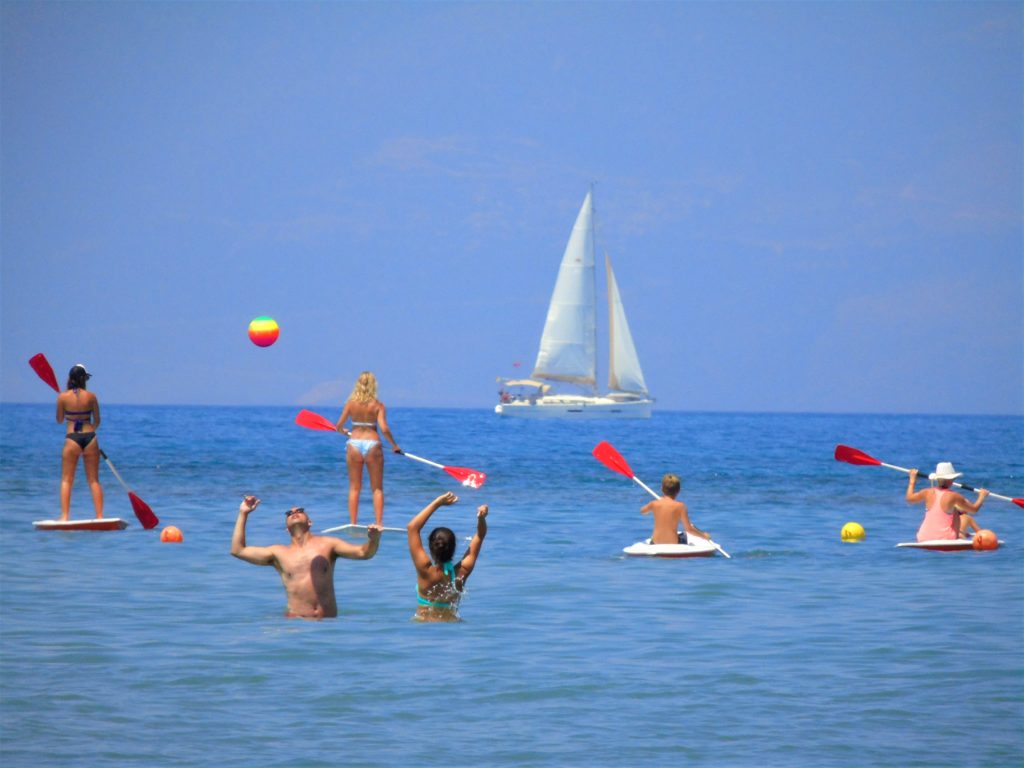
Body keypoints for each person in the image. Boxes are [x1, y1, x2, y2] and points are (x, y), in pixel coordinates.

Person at [230, 496, 381, 619]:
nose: (294, 512)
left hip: (328, 626)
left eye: (300, 510)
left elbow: (364, 553)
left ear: (310, 522)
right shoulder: (278, 553)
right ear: (286, 529)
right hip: (296, 627)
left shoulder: (329, 544)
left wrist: (373, 539)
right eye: (289, 513)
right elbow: (237, 550)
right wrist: (243, 513)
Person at [408, 492, 487, 622]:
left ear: (431, 546)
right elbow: (480, 536)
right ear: (454, 547)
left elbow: (412, 528)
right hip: (452, 628)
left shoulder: (424, 570)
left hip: (423, 627)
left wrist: (437, 502)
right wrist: (481, 518)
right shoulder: (461, 572)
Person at [335, 371, 401, 527]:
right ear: (373, 386)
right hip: (373, 443)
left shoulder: (350, 404)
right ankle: (378, 523)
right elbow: (384, 428)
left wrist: (343, 431)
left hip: (354, 443)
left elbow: (339, 426)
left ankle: (353, 523)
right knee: (377, 488)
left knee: (354, 487)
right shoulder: (378, 405)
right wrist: (394, 445)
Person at [56, 364, 103, 521]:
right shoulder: (92, 396)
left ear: (70, 379)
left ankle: (64, 516)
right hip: (90, 438)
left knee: (67, 480)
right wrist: (89, 429)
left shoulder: (62, 397)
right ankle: (99, 516)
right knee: (94, 480)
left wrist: (64, 405)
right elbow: (97, 421)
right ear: (84, 379)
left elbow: (59, 420)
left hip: (72, 439)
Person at [907, 462, 988, 541]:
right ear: (950, 480)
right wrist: (982, 496)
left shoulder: (927, 492)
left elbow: (909, 499)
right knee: (955, 509)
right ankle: (956, 536)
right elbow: (974, 509)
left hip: (923, 537)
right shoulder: (954, 496)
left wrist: (912, 480)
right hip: (946, 538)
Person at [640, 473, 710, 545]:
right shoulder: (680, 506)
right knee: (684, 536)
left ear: (662, 489)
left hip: (655, 542)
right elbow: (689, 529)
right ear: (678, 491)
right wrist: (703, 536)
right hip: (673, 543)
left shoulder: (654, 504)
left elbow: (642, 511)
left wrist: (653, 506)